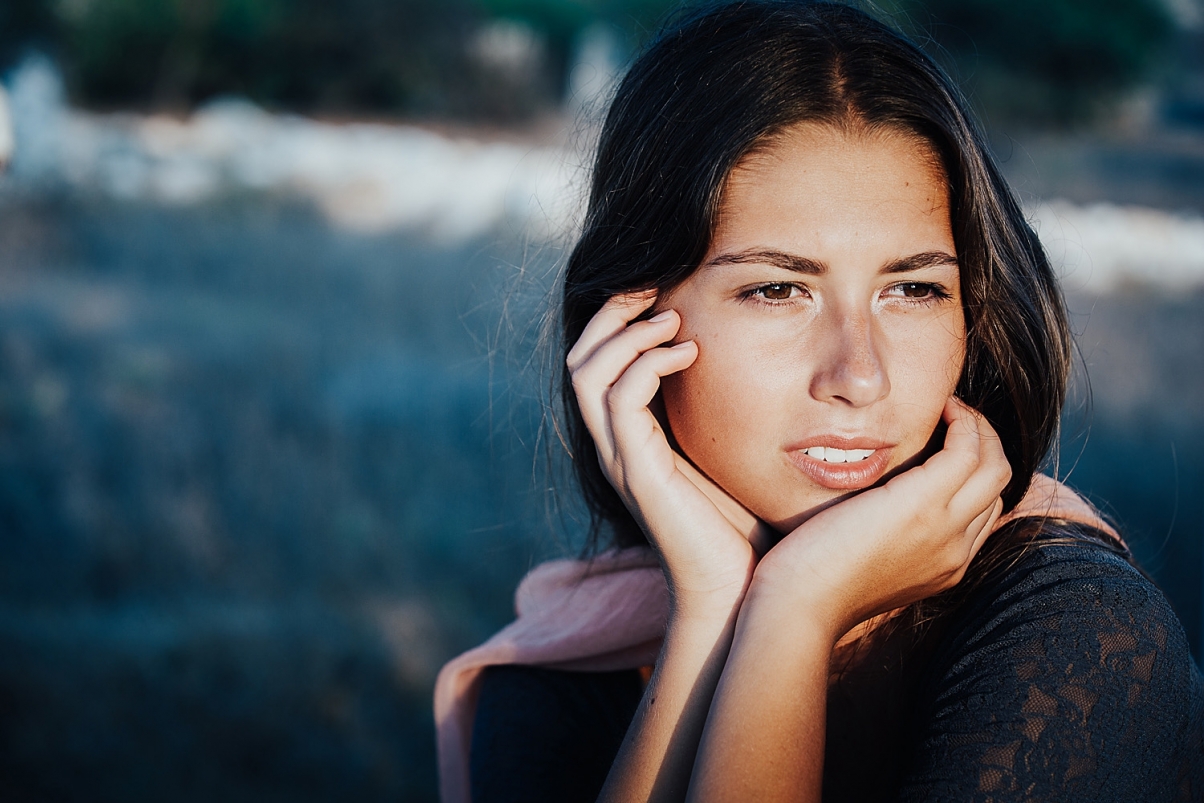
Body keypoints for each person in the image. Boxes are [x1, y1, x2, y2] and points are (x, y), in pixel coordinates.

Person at [435, 2, 1204, 801]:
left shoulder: (1078, 633)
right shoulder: (565, 663)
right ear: (630, 325)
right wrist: (715, 607)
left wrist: (794, 605)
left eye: (913, 288)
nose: (859, 375)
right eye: (777, 289)